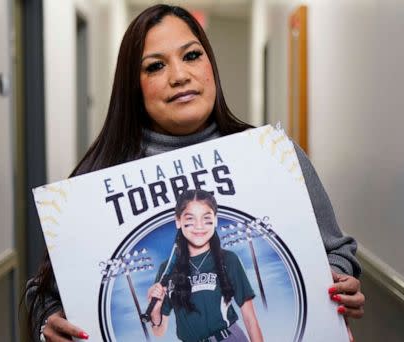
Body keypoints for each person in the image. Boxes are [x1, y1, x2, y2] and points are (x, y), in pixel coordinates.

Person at [26, 4, 365, 342]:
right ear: (134, 87)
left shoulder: (275, 156)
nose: (179, 75)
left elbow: (337, 250)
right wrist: (48, 325)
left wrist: (334, 285)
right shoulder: (96, 183)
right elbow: (44, 293)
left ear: (210, 65)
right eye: (156, 66)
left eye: (191, 56)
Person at [147, 189, 263, 342]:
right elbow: (159, 332)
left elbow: (250, 319)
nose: (199, 226)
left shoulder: (228, 259)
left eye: (206, 219)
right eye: (190, 219)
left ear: (215, 220)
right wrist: (155, 311)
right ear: (178, 221)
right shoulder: (167, 269)